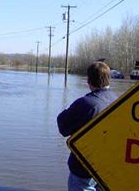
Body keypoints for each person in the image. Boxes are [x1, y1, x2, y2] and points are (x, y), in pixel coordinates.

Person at [57, 61, 117, 191]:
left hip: (83, 170)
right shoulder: (116, 100)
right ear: (109, 79)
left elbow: (63, 126)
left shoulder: (86, 103)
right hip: (108, 170)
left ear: (89, 80)